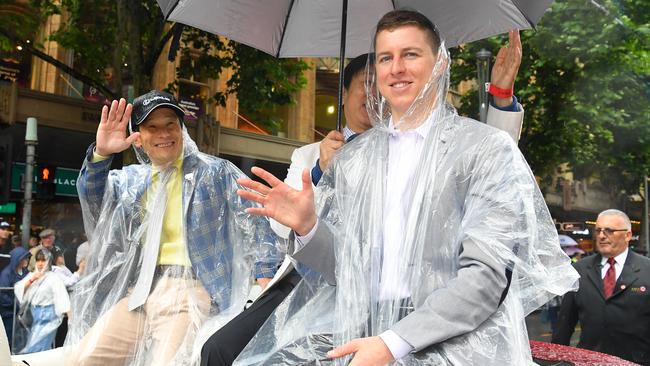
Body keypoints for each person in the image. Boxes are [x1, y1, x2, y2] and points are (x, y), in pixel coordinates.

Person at [235, 10, 578, 365]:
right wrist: (308, 228)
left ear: (441, 62)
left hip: (459, 344)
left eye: (410, 54)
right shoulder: (356, 161)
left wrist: (392, 343)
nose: (396, 68)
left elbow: (485, 278)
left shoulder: (485, 149)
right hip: (365, 332)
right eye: (386, 58)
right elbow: (348, 271)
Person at [10, 90, 283, 366]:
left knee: (170, 362)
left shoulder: (214, 174)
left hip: (190, 292)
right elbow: (94, 202)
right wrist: (102, 154)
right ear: (138, 138)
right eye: (152, 127)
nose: (163, 133)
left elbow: (256, 221)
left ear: (181, 129)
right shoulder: (130, 183)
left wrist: (266, 282)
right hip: (139, 292)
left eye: (170, 124)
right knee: (83, 359)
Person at [552, 209, 650, 365]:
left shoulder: (647, 270)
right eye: (598, 230)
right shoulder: (580, 270)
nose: (602, 236)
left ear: (628, 235)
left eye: (609, 231)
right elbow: (564, 324)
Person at [14, 249, 70, 354]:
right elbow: (19, 288)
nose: (40, 264)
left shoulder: (53, 278)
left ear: (48, 261)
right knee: (33, 343)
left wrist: (70, 314)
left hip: (48, 314)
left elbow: (61, 296)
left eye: (43, 260)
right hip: (33, 313)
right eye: (38, 260)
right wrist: (32, 279)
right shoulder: (32, 275)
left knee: (40, 345)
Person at [0, 246, 29, 348]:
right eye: (24, 258)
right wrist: (17, 305)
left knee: (21, 340)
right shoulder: (6, 274)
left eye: (27, 258)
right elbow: (3, 297)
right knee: (9, 340)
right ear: (18, 259)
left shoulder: (26, 272)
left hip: (21, 314)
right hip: (9, 315)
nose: (27, 260)